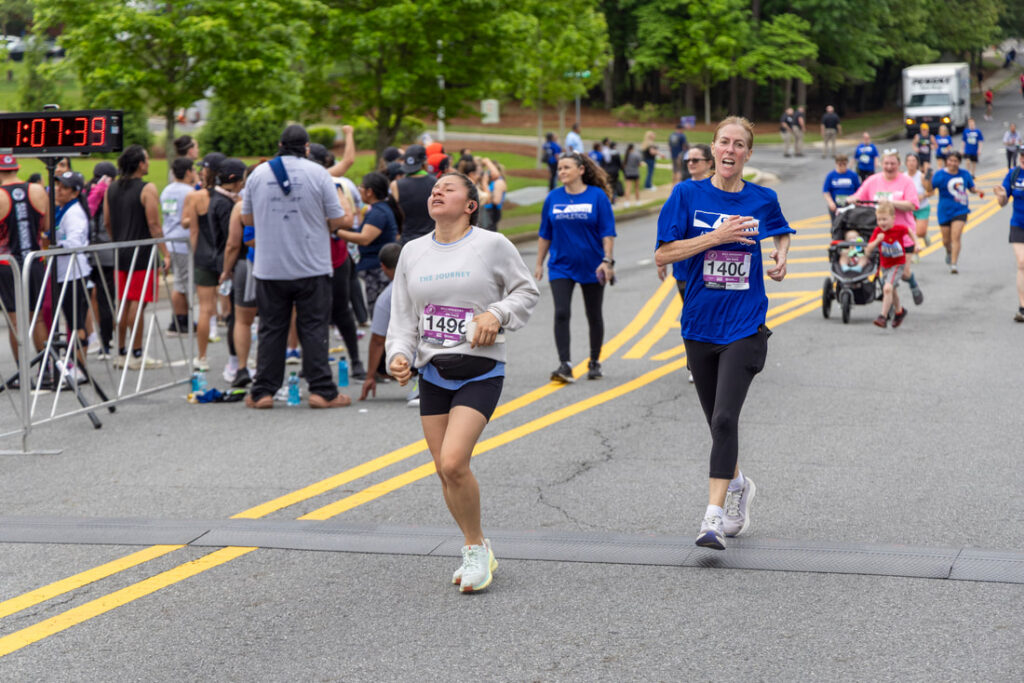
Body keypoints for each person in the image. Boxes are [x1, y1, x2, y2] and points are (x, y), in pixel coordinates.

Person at [386, 171, 539, 593]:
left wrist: (496, 313)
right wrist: (398, 355)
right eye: (435, 188)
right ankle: (477, 544)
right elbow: (404, 317)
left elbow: (526, 292)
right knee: (445, 471)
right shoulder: (412, 251)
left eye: (448, 188)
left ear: (471, 205)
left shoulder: (491, 245)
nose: (437, 191)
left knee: (454, 462)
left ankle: (474, 548)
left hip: (481, 369)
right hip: (433, 371)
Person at [654, 116, 794, 550]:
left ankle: (711, 519)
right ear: (713, 148)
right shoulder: (686, 195)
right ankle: (738, 485)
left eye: (739, 144)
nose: (730, 150)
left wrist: (781, 255)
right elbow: (664, 253)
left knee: (725, 419)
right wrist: (716, 237)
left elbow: (781, 231)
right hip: (699, 324)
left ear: (748, 154)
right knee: (717, 425)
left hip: (745, 323)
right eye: (724, 142)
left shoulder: (762, 198)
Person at [240, 124, 352, 409]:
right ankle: (321, 391)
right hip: (312, 265)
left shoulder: (258, 174)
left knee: (271, 328)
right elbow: (338, 220)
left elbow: (247, 220)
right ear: (307, 147)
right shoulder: (319, 173)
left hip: (270, 266)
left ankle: (262, 392)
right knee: (314, 328)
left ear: (280, 145)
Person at [535, 152, 616, 383]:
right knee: (561, 312)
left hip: (593, 265)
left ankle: (594, 361)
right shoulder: (553, 197)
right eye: (559, 168)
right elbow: (545, 234)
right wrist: (539, 263)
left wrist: (607, 261)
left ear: (580, 170)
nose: (561, 172)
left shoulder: (597, 196)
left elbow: (608, 232)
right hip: (561, 266)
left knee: (593, 314)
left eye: (566, 167)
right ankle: (565, 364)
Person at [104, 144, 167, 370]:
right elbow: (154, 224)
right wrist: (165, 253)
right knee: (137, 303)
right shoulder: (147, 188)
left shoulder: (111, 188)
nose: (148, 163)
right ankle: (137, 353)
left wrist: (118, 240)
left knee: (123, 302)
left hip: (121, 251)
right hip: (142, 253)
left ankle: (121, 351)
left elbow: (107, 221)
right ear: (140, 164)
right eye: (147, 159)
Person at [183, 158, 245, 371]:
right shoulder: (232, 199)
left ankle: (201, 357)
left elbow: (193, 231)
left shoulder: (196, 196)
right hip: (225, 256)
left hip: (203, 254)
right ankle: (237, 358)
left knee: (205, 309)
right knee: (233, 310)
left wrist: (195, 256)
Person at [850, 149, 923, 302]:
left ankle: (912, 282)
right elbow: (859, 195)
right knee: (888, 275)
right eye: (886, 163)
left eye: (893, 164)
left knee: (903, 273)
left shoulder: (906, 181)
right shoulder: (873, 180)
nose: (889, 167)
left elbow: (912, 205)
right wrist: (852, 199)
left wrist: (891, 203)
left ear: (899, 164)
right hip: (881, 235)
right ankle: (894, 309)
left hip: (902, 236)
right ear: (881, 164)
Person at [0, 154, 49, 365]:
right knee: (37, 317)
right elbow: (47, 227)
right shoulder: (38, 190)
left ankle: (23, 373)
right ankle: (46, 369)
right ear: (17, 168)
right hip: (34, 261)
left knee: (15, 322)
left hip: (7, 264)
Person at [51, 170, 93, 361]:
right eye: (58, 185)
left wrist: (54, 247)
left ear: (75, 192)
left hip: (74, 274)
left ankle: (79, 367)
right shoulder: (63, 209)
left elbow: (75, 243)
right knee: (72, 320)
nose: (58, 190)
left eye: (64, 187)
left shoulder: (74, 212)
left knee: (76, 322)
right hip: (63, 273)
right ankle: (75, 363)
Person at [358, 242, 402, 401]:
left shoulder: (386, 298)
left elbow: (377, 340)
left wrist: (370, 376)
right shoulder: (427, 280)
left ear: (383, 267)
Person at [160, 157, 196, 337]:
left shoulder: (167, 190)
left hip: (170, 239)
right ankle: (179, 321)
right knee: (184, 283)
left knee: (180, 281)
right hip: (183, 241)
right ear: (188, 172)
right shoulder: (189, 191)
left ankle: (180, 319)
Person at [85, 161, 118, 358]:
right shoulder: (112, 193)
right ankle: (105, 343)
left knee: (86, 298)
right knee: (106, 299)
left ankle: (87, 339)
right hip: (106, 253)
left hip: (86, 253)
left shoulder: (84, 192)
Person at [932, 151, 982, 274]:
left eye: (955, 161)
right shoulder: (940, 175)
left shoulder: (964, 174)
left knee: (956, 236)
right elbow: (930, 188)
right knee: (946, 241)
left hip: (960, 209)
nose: (952, 163)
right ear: (946, 161)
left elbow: (971, 188)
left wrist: (978, 191)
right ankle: (948, 251)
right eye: (950, 160)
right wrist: (927, 179)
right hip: (944, 210)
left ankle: (954, 264)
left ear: (959, 162)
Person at [864, 200, 910, 328]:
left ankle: (882, 316)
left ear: (893, 218)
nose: (882, 222)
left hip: (897, 264)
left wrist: (916, 244)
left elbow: (909, 230)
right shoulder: (877, 231)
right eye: (879, 220)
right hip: (885, 265)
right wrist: (877, 241)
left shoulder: (898, 229)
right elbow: (868, 250)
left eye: (885, 219)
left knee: (887, 288)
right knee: (892, 290)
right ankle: (899, 312)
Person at [992, 152, 1024, 322]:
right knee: (1022, 263)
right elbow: (1003, 202)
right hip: (1018, 223)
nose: (1023, 158)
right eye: (1022, 155)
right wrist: (1001, 195)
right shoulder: (1014, 174)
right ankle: (1022, 308)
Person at [392, 144, 437, 244]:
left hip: (407, 240)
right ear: (425, 162)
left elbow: (395, 215)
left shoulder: (395, 185)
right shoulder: (436, 182)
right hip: (432, 239)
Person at [905, 152, 934, 249]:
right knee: (909, 231)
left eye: (913, 161)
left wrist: (923, 196)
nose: (911, 163)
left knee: (920, 232)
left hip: (922, 208)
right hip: (908, 208)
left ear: (917, 163)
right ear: (906, 163)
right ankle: (914, 251)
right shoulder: (903, 176)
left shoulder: (921, 176)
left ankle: (924, 235)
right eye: (909, 161)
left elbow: (931, 192)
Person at [822, 155, 860, 222]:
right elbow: (826, 191)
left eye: (844, 164)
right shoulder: (831, 175)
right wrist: (830, 202)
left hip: (850, 205)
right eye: (840, 164)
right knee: (836, 224)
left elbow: (859, 190)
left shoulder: (853, 175)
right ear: (836, 164)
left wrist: (855, 199)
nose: (842, 166)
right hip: (836, 205)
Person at [480, 158, 506, 231]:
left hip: (492, 212)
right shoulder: (491, 181)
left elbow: (496, 201)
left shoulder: (498, 182)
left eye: (489, 171)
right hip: (487, 211)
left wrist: (485, 186)